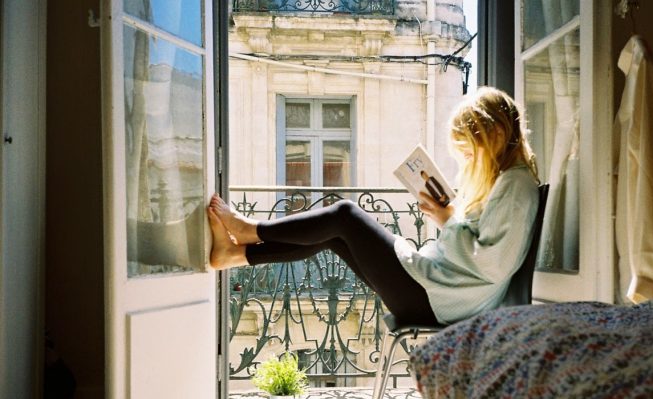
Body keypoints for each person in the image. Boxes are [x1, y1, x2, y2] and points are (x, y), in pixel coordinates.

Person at [208, 86, 540, 328]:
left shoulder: (515, 185)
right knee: (336, 236)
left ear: (495, 133)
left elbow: (492, 265)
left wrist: (449, 218)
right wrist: (448, 215)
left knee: (345, 215)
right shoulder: (505, 181)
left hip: (439, 300)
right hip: (436, 291)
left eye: (469, 149)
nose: (466, 158)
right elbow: (478, 248)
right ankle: (235, 254)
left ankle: (248, 230)